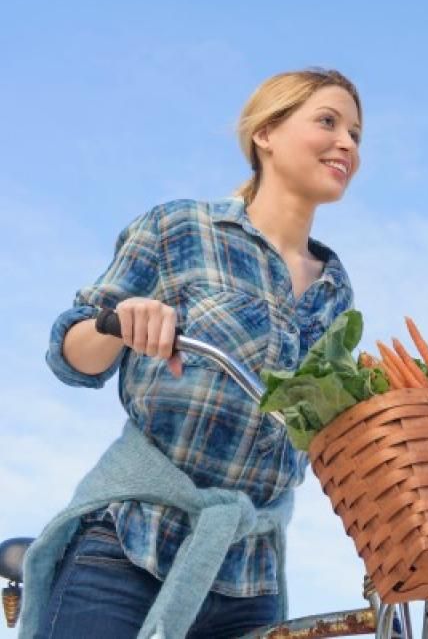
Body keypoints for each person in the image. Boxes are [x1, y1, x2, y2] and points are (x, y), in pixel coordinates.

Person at [20, 68, 363, 639]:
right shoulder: (181, 228)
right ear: (266, 134)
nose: (347, 143)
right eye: (328, 122)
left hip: (247, 575)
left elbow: (328, 423)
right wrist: (121, 323)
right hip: (131, 545)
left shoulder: (336, 289)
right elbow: (71, 353)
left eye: (356, 132)